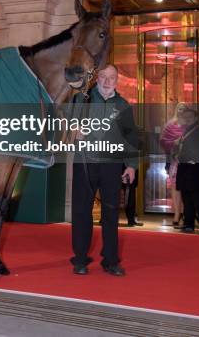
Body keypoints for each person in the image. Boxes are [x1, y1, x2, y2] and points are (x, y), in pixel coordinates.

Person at [70, 64, 139, 277]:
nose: (108, 81)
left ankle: (110, 260)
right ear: (96, 78)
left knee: (110, 213)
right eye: (104, 77)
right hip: (86, 163)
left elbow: (130, 138)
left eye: (112, 77)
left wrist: (131, 165)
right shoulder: (82, 99)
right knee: (82, 212)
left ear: (117, 80)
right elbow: (67, 129)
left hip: (112, 165)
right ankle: (80, 259)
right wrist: (74, 133)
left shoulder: (123, 105)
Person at [174, 106, 199, 234]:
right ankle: (189, 224)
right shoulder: (185, 131)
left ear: (195, 118)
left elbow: (197, 151)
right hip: (184, 169)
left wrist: (181, 155)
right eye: (185, 117)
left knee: (198, 199)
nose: (187, 119)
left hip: (194, 170)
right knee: (186, 198)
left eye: (189, 117)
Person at [160, 103, 187, 227]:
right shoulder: (170, 125)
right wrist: (174, 143)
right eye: (180, 108)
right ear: (176, 110)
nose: (182, 110)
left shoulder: (190, 124)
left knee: (186, 189)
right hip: (173, 161)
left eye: (184, 109)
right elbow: (163, 141)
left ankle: (187, 215)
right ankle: (177, 214)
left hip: (187, 161)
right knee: (175, 189)